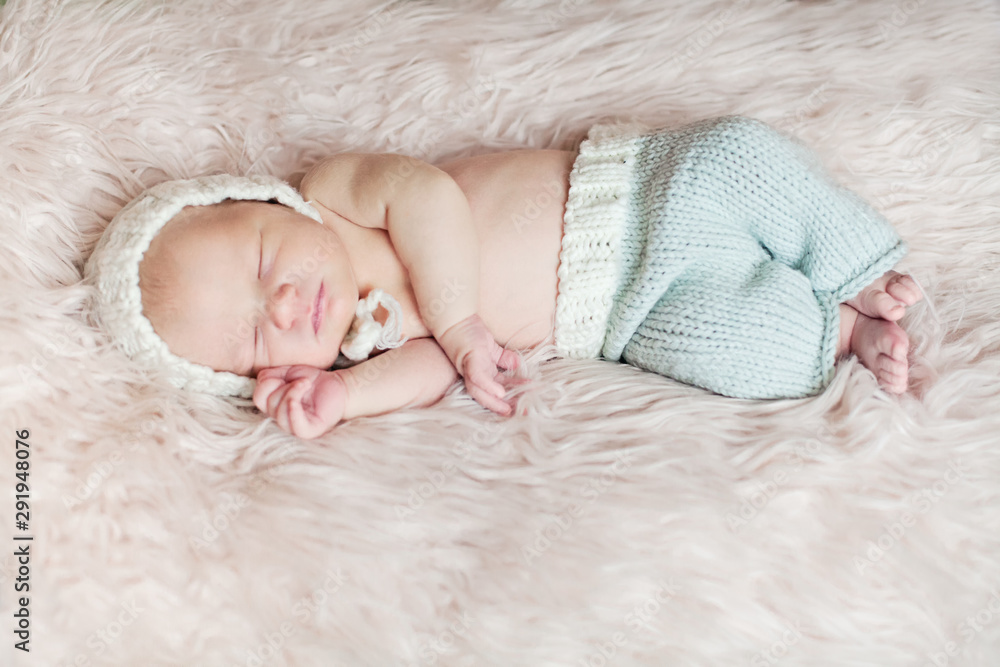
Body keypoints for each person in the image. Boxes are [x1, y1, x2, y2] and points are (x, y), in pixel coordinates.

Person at [85, 116, 923, 439]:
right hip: (628, 310)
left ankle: (853, 260)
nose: (279, 300)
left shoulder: (331, 196)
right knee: (741, 353)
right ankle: (847, 327)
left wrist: (455, 320)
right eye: (255, 334)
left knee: (738, 157)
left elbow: (430, 198)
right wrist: (348, 396)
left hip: (639, 189)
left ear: (266, 201)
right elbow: (434, 368)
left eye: (262, 259)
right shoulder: (351, 345)